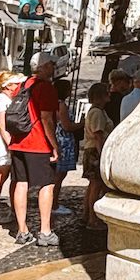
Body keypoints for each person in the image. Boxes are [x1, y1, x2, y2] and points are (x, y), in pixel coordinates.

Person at [9, 52, 60, 248]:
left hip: (18, 141)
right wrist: (54, 146)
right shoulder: (46, 87)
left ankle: (22, 230)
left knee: (21, 183)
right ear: (44, 67)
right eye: (51, 64)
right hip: (38, 143)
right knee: (47, 185)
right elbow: (46, 119)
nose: (54, 67)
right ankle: (45, 231)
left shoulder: (23, 84)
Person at [0, 69, 26, 225]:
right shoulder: (2, 100)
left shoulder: (8, 99)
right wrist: (10, 144)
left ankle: (13, 210)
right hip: (4, 140)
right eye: (16, 84)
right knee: (2, 176)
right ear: (8, 86)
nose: (19, 86)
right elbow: (2, 126)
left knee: (12, 176)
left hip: (8, 139)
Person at [81, 83, 113, 229]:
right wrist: (102, 155)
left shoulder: (96, 111)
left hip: (92, 150)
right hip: (95, 151)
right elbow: (98, 135)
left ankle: (87, 215)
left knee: (93, 186)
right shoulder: (97, 113)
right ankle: (92, 219)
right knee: (96, 186)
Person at [51, 77, 84, 217]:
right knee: (59, 175)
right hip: (64, 141)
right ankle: (54, 204)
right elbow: (67, 126)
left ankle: (52, 202)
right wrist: (82, 124)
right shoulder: (61, 105)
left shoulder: (53, 104)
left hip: (59, 138)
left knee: (57, 175)